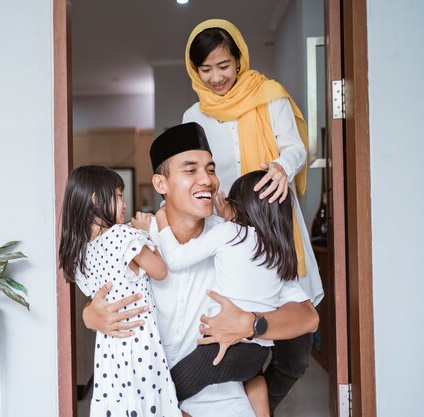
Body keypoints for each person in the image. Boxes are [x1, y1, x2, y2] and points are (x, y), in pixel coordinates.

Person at [83, 123, 319, 417]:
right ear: (160, 184)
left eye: (210, 169)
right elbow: (100, 299)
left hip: (226, 405)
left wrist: (252, 323)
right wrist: (90, 316)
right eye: (191, 170)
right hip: (151, 403)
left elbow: (307, 317)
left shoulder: (238, 239)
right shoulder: (133, 242)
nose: (207, 180)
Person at [182, 19, 325, 411]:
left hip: (276, 229)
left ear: (239, 59)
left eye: (224, 65)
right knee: (234, 353)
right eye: (205, 69)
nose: (216, 77)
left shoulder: (268, 95)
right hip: (228, 236)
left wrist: (281, 166)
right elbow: (192, 173)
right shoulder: (193, 115)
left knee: (295, 357)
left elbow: (295, 148)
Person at [155, 169, 308, 417]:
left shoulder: (228, 233)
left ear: (238, 207)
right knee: (255, 379)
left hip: (217, 352)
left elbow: (175, 258)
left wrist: (160, 219)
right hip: (256, 356)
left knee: (165, 394)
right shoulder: (279, 252)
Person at [58, 165, 181, 417]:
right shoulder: (123, 236)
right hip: (140, 342)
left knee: (121, 406)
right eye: (118, 195)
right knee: (150, 404)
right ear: (95, 199)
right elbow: (160, 271)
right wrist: (146, 234)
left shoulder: (81, 252)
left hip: (109, 349)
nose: (123, 204)